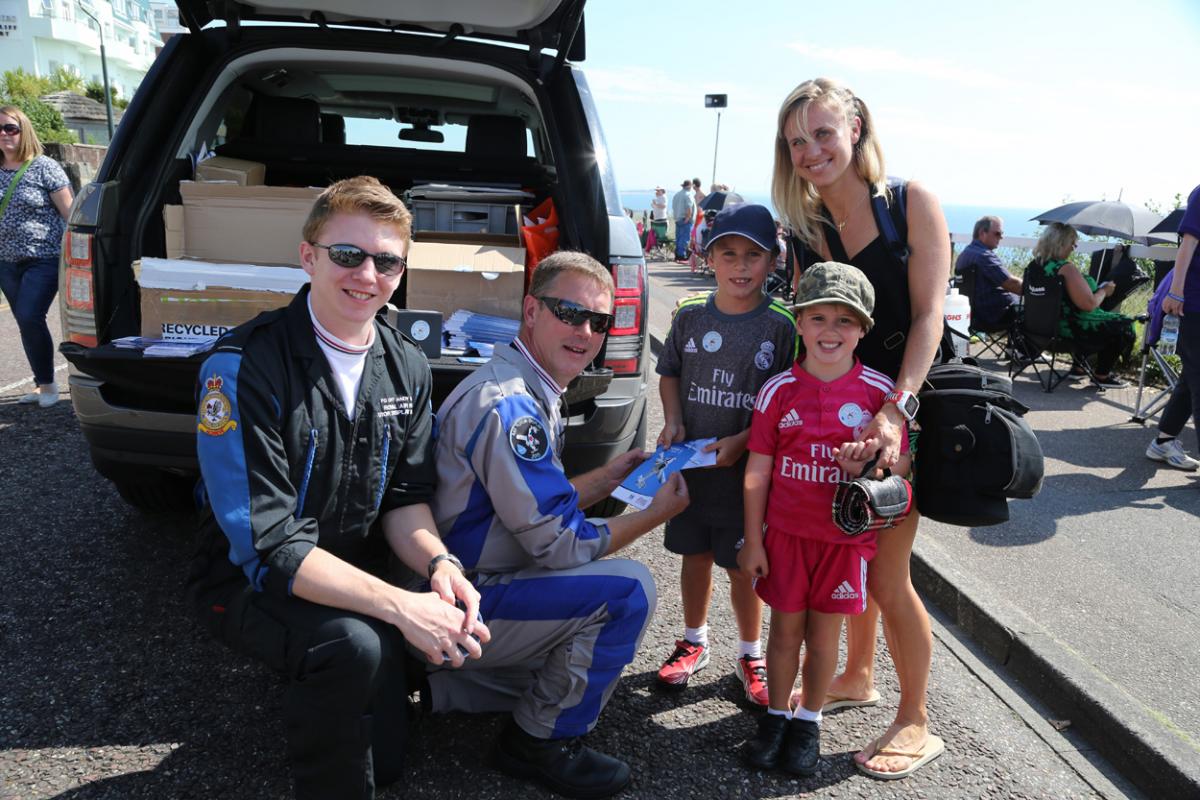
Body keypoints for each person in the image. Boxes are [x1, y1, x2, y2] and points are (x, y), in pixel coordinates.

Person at [186, 176, 489, 800]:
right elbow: (268, 544)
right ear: (308, 256)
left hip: (354, 566)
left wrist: (440, 564)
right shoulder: (242, 367)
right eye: (347, 255)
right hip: (250, 578)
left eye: (386, 261)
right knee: (355, 645)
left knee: (389, 754)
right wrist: (398, 606)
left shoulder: (407, 364)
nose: (366, 275)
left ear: (401, 272)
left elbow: (405, 500)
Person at [429, 250, 690, 799]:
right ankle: (538, 742)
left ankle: (458, 683)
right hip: (463, 597)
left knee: (591, 600)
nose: (587, 332)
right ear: (531, 310)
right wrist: (654, 514)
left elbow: (530, 505)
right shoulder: (511, 407)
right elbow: (561, 544)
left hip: (471, 579)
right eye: (569, 313)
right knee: (627, 591)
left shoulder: (523, 384)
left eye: (600, 321)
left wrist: (609, 477)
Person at [771, 77, 949, 779]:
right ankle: (859, 674)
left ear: (856, 129)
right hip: (842, 415)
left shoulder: (911, 204)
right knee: (855, 545)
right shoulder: (806, 229)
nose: (811, 151)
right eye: (796, 142)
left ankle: (916, 719)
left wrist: (896, 411)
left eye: (821, 133)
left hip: (904, 406)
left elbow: (930, 315)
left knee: (886, 573)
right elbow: (811, 329)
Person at [739, 261, 918, 776]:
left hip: (843, 545)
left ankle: (808, 720)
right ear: (799, 323)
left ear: (863, 329)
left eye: (845, 320)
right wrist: (753, 540)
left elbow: (902, 469)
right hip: (786, 540)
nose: (830, 331)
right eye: (818, 318)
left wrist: (868, 464)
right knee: (783, 634)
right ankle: (775, 716)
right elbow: (758, 469)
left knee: (823, 639)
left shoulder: (881, 397)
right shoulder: (778, 391)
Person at [654, 204, 798, 706]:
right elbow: (668, 372)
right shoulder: (690, 313)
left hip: (748, 474)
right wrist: (672, 419)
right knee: (693, 557)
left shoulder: (783, 325)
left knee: (742, 565)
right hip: (692, 467)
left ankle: (749, 651)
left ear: (772, 261)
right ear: (708, 256)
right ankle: (694, 640)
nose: (740, 266)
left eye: (753, 255)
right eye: (728, 253)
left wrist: (744, 442)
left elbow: (788, 396)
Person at [0, 105, 73, 408]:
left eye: (10, 128)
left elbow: (70, 213)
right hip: (5, 261)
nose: (4, 135)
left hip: (43, 257)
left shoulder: (45, 167)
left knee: (30, 315)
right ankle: (43, 384)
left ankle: (50, 385)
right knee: (25, 321)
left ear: (24, 130)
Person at [1024, 222, 1136, 388]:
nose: (1074, 248)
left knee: (1083, 317)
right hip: (1064, 334)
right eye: (1072, 243)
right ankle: (1101, 375)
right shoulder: (1066, 269)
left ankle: (1079, 367)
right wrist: (1104, 291)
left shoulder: (1033, 267)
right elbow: (1089, 305)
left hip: (1035, 330)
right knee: (1124, 324)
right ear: (1060, 243)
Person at [1151, 183, 1200, 469]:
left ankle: (1162, 442)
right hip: (1193, 302)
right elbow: (1188, 243)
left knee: (1191, 376)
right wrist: (1176, 291)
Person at [955, 216, 1021, 329]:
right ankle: (1026, 345)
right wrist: (1033, 289)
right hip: (994, 315)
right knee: (1034, 309)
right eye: (997, 233)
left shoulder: (964, 254)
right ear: (982, 233)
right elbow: (1011, 283)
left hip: (973, 314)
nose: (1001, 237)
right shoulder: (984, 256)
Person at [672, 179, 696, 262]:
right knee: (685, 238)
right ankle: (682, 255)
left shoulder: (677, 195)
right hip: (685, 219)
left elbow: (674, 207)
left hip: (678, 218)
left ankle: (678, 254)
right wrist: (688, 217)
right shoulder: (688, 195)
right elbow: (689, 207)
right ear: (689, 186)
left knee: (678, 237)